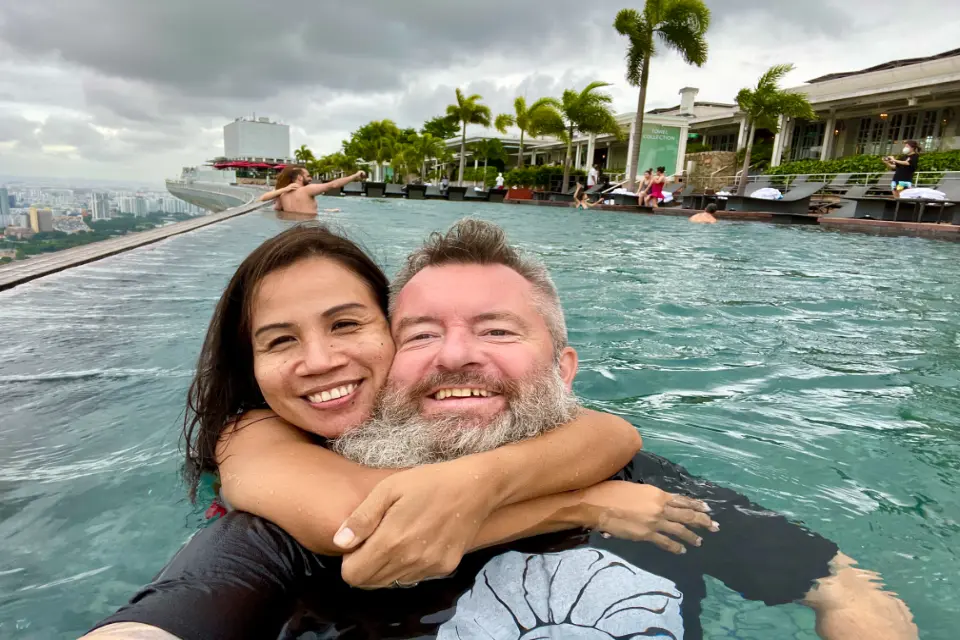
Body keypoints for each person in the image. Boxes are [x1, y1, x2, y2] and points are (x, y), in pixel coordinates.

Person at [86, 220, 917, 640]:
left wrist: (591, 477)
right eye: (426, 334)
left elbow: (842, 586)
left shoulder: (640, 477)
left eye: (497, 332)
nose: (456, 358)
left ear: (564, 370)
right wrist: (575, 503)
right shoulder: (277, 505)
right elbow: (178, 612)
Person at [259, 166, 366, 214]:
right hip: (310, 229)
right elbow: (333, 185)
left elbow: (279, 210)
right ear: (300, 177)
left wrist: (326, 212)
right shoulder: (308, 190)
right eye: (308, 176)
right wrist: (355, 175)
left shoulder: (283, 196)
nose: (310, 178)